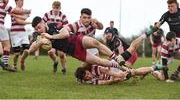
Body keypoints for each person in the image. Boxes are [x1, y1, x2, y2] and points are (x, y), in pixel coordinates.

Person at [21, 16, 157, 70]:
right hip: (74, 51)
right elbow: (32, 48)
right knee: (99, 61)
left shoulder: (52, 26)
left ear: (43, 23)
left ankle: (115, 58)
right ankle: (123, 68)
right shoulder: (39, 36)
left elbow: (65, 33)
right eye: (36, 29)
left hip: (76, 39)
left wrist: (51, 36)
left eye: (39, 27)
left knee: (95, 42)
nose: (38, 30)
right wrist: (39, 42)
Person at [0, 0, 28, 71]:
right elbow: (15, 11)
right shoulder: (4, 5)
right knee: (7, 46)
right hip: (1, 26)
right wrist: (26, 11)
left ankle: (4, 64)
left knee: (1, 52)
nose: (7, 0)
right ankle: (5, 64)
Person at [74, 63, 164, 85]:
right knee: (133, 72)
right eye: (87, 78)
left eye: (88, 74)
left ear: (87, 70)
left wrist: (119, 75)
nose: (89, 76)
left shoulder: (94, 68)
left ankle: (154, 68)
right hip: (114, 77)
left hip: (114, 68)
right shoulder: (90, 82)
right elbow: (106, 83)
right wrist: (116, 79)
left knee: (133, 72)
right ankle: (151, 70)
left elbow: (107, 71)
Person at [42, 1, 68, 74]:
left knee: (61, 54)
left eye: (57, 8)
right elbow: (42, 23)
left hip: (60, 37)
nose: (55, 9)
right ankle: (55, 62)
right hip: (50, 37)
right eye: (54, 8)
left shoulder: (63, 16)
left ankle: (63, 69)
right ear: (52, 7)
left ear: (60, 8)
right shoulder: (47, 14)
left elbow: (66, 27)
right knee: (50, 52)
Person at [10, 0, 31, 71]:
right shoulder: (13, 10)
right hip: (15, 34)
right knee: (16, 53)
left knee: (27, 50)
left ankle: (22, 61)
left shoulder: (22, 11)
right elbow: (20, 21)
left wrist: (24, 16)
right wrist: (30, 22)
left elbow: (25, 17)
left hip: (23, 33)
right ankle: (14, 65)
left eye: (23, 0)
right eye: (20, 0)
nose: (22, 2)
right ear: (16, 1)